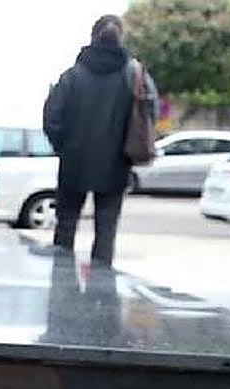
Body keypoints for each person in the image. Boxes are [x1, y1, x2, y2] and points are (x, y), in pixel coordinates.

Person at [43, 14, 157, 265]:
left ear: (93, 37)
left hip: (74, 163)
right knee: (106, 230)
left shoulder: (72, 76)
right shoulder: (135, 75)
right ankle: (101, 284)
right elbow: (150, 113)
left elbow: (52, 118)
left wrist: (64, 147)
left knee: (66, 226)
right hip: (117, 163)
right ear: (121, 38)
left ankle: (62, 283)